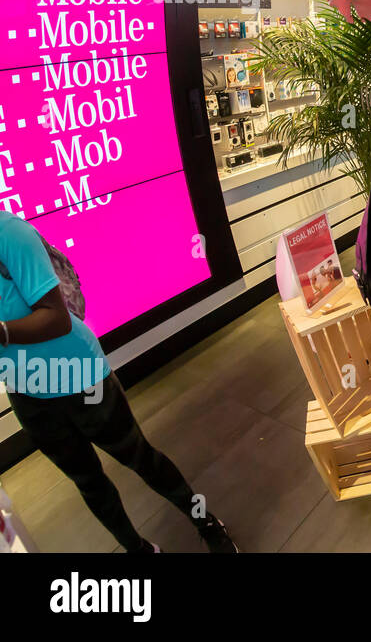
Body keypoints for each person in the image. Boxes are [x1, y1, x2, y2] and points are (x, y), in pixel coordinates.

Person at [0, 211, 237, 553]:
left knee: (142, 459)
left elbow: (57, 319)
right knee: (89, 484)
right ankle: (138, 549)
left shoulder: (9, 232)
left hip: (80, 376)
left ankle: (206, 521)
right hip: (26, 393)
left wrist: (4, 332)